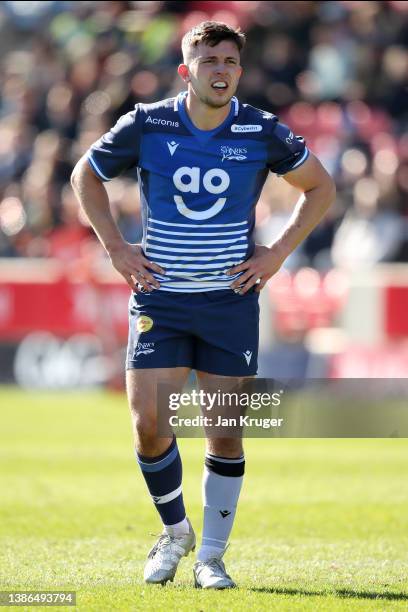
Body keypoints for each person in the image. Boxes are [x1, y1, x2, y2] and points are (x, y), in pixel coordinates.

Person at [71, 21, 335, 589]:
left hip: (229, 301)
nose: (221, 69)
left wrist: (278, 255)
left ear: (239, 71)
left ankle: (211, 557)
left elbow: (322, 187)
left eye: (230, 62)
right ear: (186, 71)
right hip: (161, 298)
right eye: (209, 60)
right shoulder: (147, 123)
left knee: (224, 432)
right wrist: (116, 248)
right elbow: (84, 176)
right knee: (148, 426)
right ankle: (174, 533)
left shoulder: (262, 130)